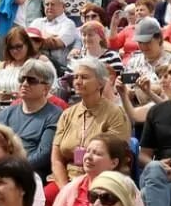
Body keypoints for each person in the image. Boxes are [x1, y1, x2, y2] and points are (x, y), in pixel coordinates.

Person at [49, 58, 131, 187]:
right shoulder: (67, 114)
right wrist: (65, 189)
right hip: (66, 180)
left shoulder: (115, 113)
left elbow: (115, 158)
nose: (78, 82)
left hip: (100, 179)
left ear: (100, 83)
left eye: (84, 77)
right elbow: (56, 159)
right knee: (44, 199)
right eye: (76, 77)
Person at [46, 133, 143, 206]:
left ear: (114, 163)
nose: (88, 157)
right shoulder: (72, 187)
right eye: (88, 151)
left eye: (97, 154)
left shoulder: (125, 188)